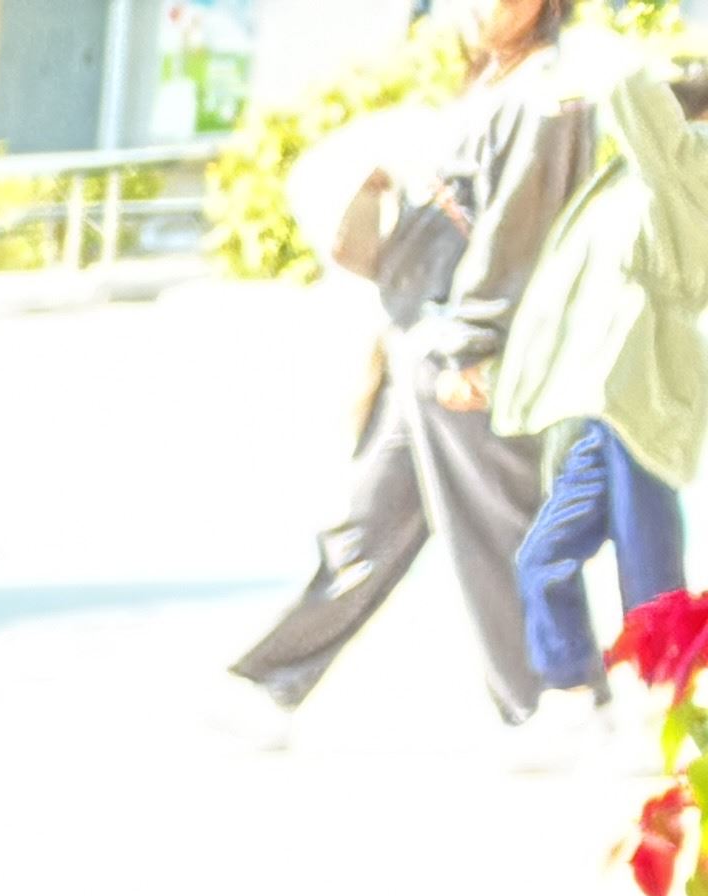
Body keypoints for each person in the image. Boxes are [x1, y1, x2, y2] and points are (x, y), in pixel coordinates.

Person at [236, 0, 598, 726]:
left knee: (502, 531)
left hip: (469, 351)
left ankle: (560, 696)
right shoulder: (496, 79)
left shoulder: (549, 93)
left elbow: (518, 240)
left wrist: (472, 347)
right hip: (423, 336)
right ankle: (272, 680)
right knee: (366, 523)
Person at [500, 54, 708, 700]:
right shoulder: (636, 177)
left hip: (644, 388)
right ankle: (575, 693)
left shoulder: (691, 164)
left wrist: (593, 66)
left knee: (649, 573)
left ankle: (668, 706)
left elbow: (631, 90)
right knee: (544, 558)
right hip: (605, 396)